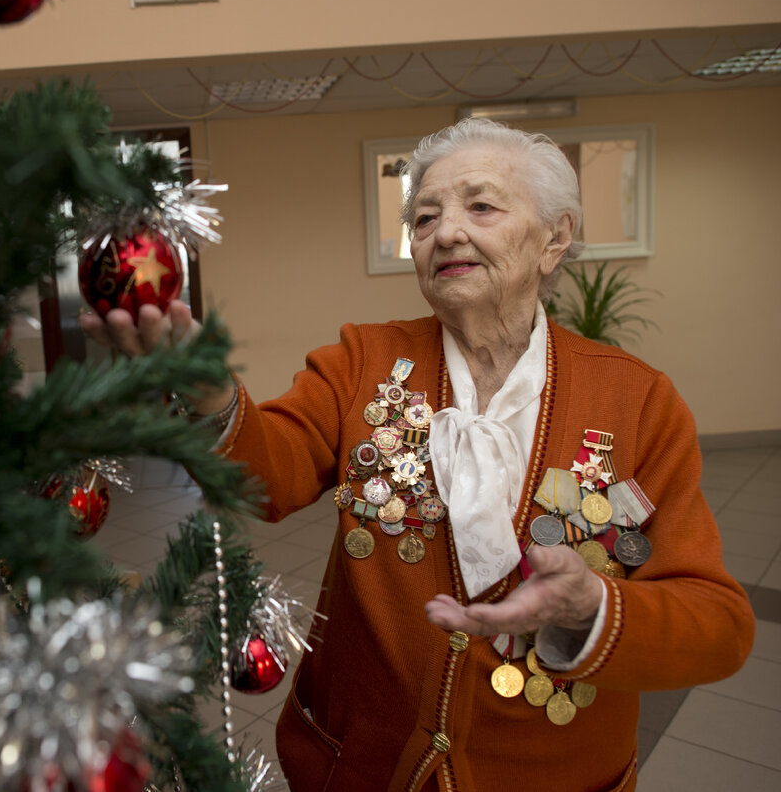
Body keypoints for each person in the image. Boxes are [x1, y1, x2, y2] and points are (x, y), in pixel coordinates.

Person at [80, 118, 753, 792]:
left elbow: (719, 623)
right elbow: (269, 474)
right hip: (362, 766)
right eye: (425, 217)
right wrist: (212, 392)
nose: (447, 231)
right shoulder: (362, 360)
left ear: (556, 238)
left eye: (481, 206)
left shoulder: (638, 400)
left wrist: (592, 609)